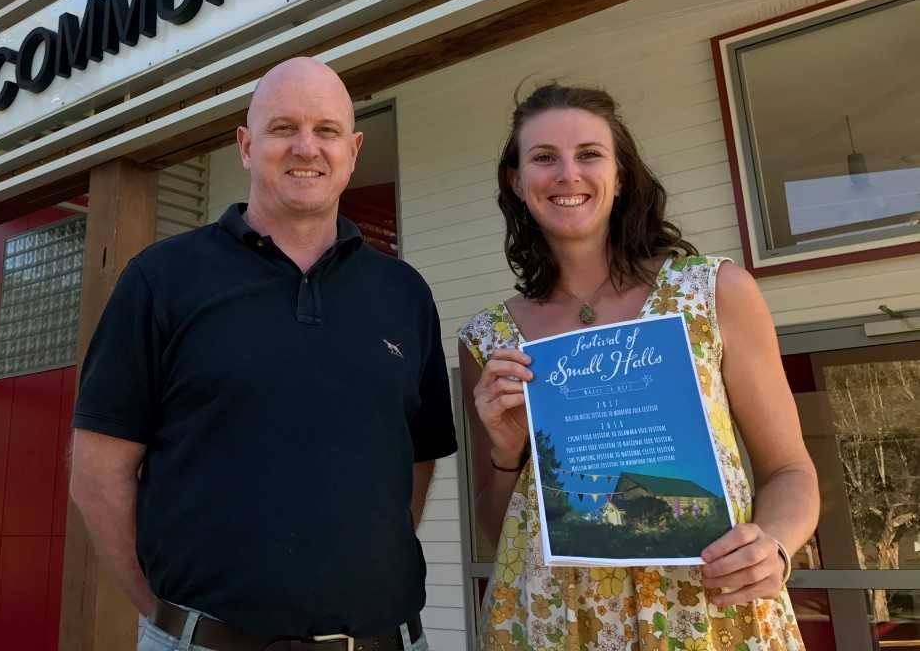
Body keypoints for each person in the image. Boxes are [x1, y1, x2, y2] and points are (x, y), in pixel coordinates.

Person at [70, 57, 457, 651]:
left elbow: (416, 459)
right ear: (246, 147)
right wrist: (166, 618)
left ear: (353, 150)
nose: (307, 147)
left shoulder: (404, 293)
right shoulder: (162, 279)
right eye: (283, 128)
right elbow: (98, 473)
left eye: (326, 131)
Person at [459, 83, 819, 651]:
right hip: (552, 622)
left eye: (589, 154)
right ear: (517, 180)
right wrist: (507, 454)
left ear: (621, 174)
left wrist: (772, 544)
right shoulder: (489, 340)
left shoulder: (712, 292)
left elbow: (790, 471)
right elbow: (498, 525)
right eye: (544, 157)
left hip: (703, 610)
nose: (567, 173)